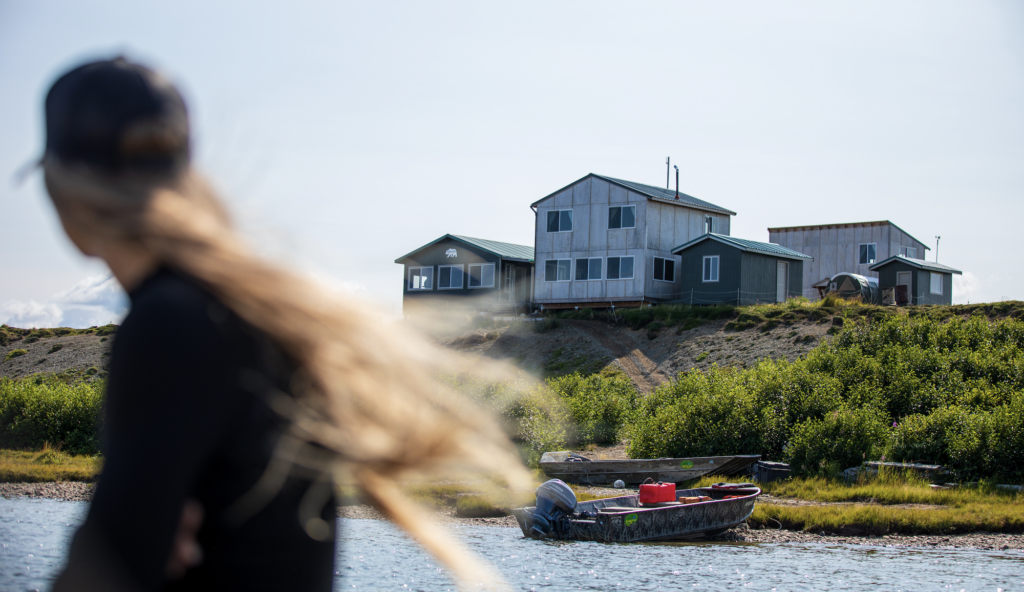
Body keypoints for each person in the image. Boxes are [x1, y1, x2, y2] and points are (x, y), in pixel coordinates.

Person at [38, 57, 530, 591]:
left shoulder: (171, 323)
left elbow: (108, 567)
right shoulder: (261, 317)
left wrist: (109, 538)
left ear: (63, 189)